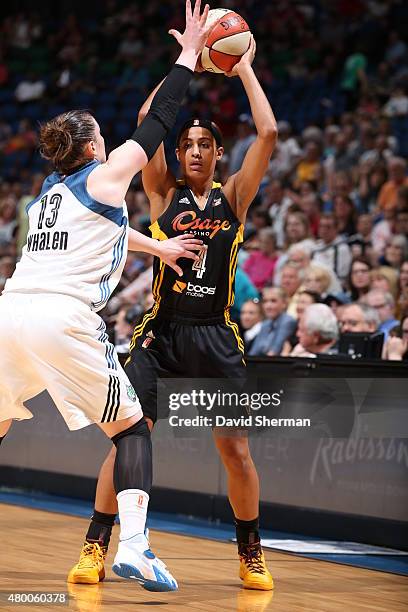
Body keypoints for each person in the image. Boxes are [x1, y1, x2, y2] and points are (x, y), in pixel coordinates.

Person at [0, 0, 213, 592]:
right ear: (94, 148)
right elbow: (159, 122)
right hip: (61, 318)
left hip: (9, 311)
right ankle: (138, 547)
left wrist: (161, 250)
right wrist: (189, 56)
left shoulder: (51, 191)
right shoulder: (107, 171)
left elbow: (108, 231)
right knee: (131, 431)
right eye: (102, 135)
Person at [69, 35, 278, 591]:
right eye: (185, 143)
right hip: (161, 332)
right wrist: (186, 63)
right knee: (129, 435)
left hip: (216, 332)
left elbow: (270, 133)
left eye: (203, 144)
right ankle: (95, 544)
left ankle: (250, 551)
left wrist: (246, 70)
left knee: (235, 449)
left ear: (216, 154)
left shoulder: (234, 197)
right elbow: (146, 116)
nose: (192, 150)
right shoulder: (163, 194)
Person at [248, 287, 296, 357]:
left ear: (284, 304)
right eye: (265, 301)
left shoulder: (288, 321)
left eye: (273, 301)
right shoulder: (265, 324)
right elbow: (253, 352)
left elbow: (275, 351)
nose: (268, 306)